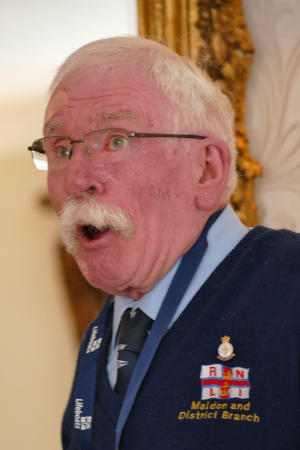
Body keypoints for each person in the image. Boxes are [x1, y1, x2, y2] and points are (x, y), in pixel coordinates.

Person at [28, 37, 300, 450]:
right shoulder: (104, 336)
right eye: (61, 149)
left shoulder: (291, 284)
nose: (77, 179)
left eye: (115, 140)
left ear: (206, 169)